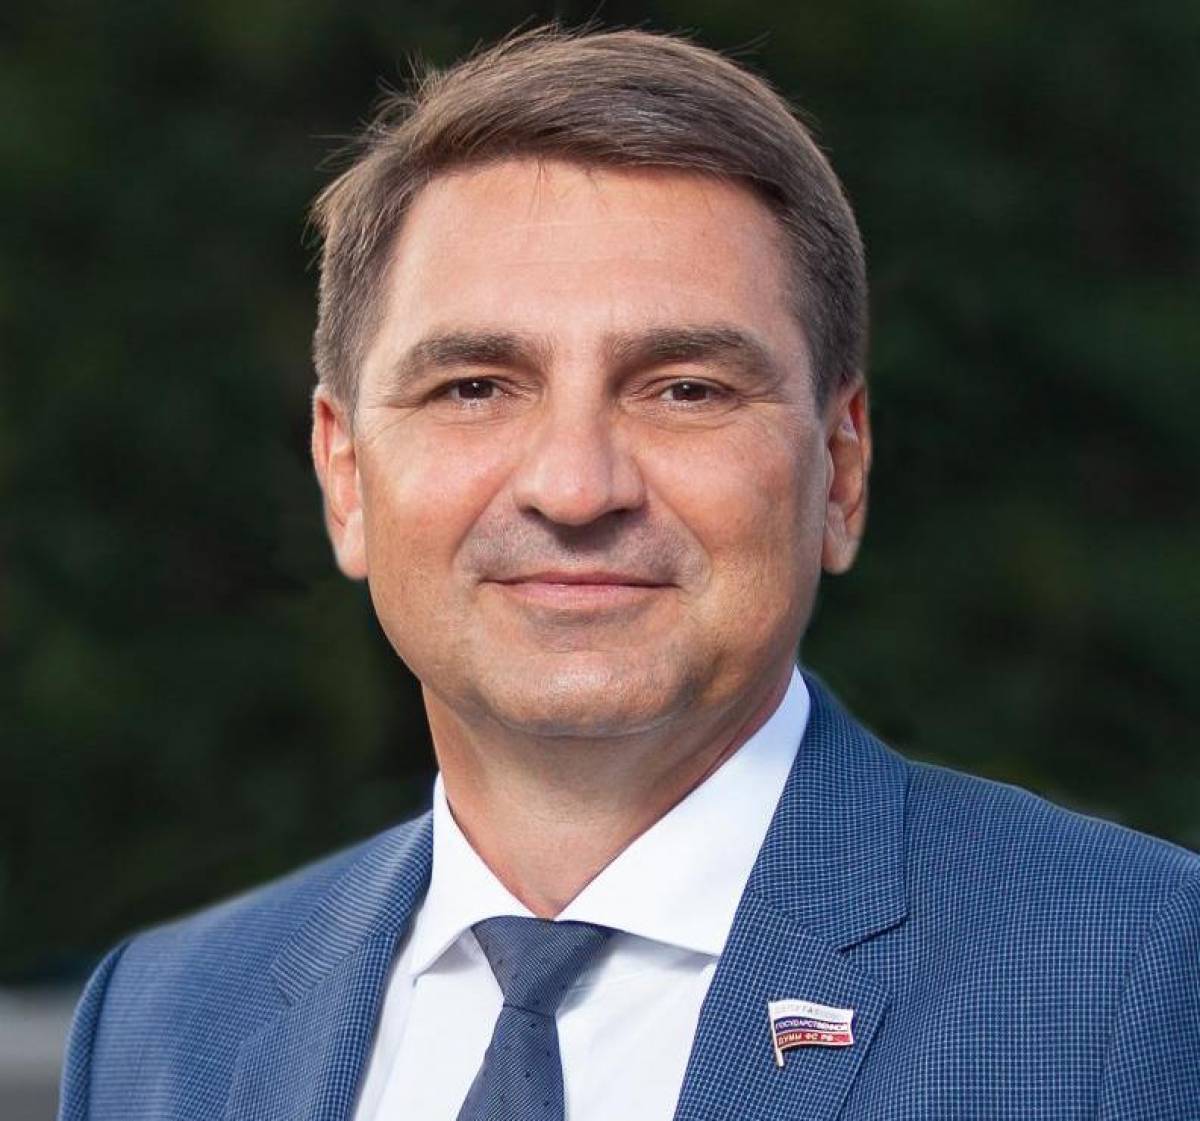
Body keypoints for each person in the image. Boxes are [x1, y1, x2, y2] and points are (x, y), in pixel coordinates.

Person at [59, 25, 1198, 1121]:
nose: (574, 486)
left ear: (841, 471)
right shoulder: (165, 1020)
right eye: (474, 387)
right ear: (346, 475)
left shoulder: (1134, 976)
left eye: (686, 388)